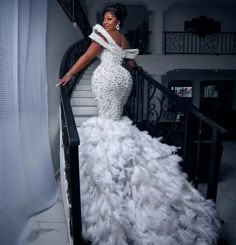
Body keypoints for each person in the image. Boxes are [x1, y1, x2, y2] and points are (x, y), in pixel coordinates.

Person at [57, 3, 220, 245]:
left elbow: (87, 56)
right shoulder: (123, 39)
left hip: (107, 78)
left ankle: (112, 166)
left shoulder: (103, 36)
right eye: (104, 19)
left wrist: (69, 74)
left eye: (110, 19)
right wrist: (138, 68)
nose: (105, 22)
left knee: (107, 121)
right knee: (114, 118)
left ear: (117, 20)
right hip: (124, 81)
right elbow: (131, 63)